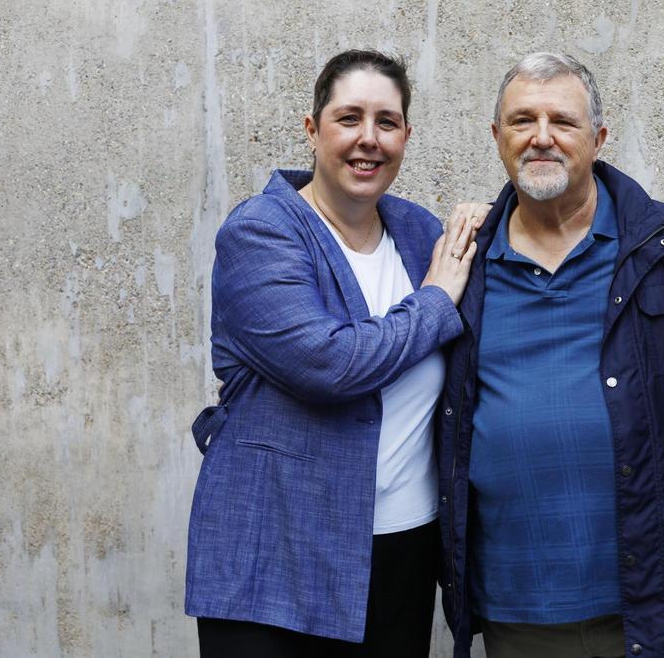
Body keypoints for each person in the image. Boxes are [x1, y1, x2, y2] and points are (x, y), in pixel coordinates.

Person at [184, 49, 485, 657]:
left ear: (406, 135)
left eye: (387, 122)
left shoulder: (420, 234)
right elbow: (331, 364)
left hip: (402, 547)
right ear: (312, 128)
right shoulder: (262, 232)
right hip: (277, 549)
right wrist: (434, 301)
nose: (367, 140)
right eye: (349, 118)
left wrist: (497, 214)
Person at [436, 53, 664, 658]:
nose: (541, 137)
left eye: (562, 121)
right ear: (496, 138)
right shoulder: (458, 267)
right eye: (521, 121)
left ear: (598, 138)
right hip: (518, 610)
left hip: (653, 603)